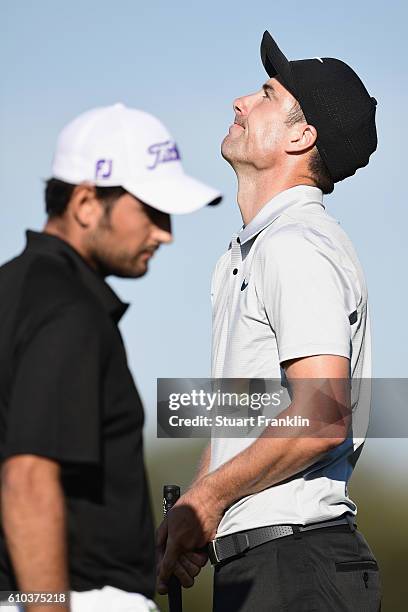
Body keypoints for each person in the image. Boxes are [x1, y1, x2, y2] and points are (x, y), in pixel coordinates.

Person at [156, 31, 382, 611]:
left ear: (301, 136)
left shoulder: (296, 244)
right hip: (269, 566)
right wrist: (200, 513)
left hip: (300, 568)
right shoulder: (249, 252)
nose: (240, 101)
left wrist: (208, 500)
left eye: (264, 94)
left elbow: (324, 411)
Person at [0, 103, 221, 612]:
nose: (164, 232)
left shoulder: (16, 291)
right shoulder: (68, 309)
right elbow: (28, 480)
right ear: (84, 203)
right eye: (150, 210)